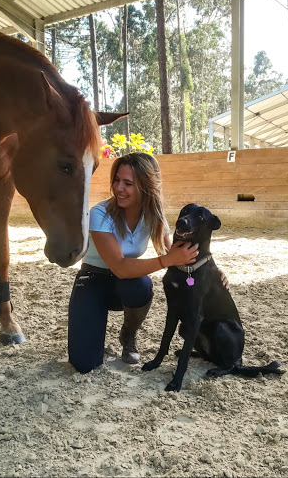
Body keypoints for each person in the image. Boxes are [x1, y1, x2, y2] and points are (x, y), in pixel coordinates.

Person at [68, 152, 200, 374]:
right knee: (84, 364)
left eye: (128, 183)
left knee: (141, 285)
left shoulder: (154, 215)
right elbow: (119, 266)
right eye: (117, 180)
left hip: (126, 284)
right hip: (93, 279)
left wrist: (213, 272)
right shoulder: (99, 213)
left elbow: (175, 253)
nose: (119, 188)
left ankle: (128, 334)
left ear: (146, 187)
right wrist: (166, 260)